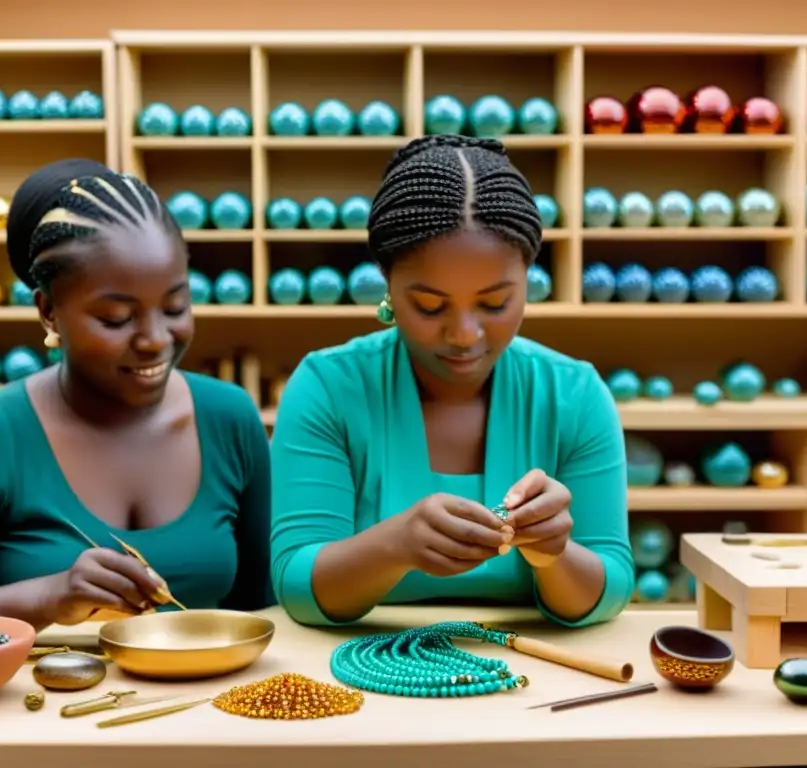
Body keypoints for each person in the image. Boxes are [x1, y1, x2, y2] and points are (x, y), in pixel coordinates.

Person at [269, 135, 633, 628]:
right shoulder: (329, 388)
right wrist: (394, 545)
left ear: (528, 278)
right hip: (361, 680)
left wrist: (556, 555)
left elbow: (610, 590)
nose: (464, 335)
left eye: (495, 303)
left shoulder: (574, 394)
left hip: (537, 684)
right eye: (429, 305)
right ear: (387, 284)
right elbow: (296, 586)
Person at [0, 159, 272, 630]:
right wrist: (45, 597)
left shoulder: (230, 419)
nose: (156, 339)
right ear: (49, 312)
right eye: (117, 318)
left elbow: (264, 608)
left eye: (175, 306)